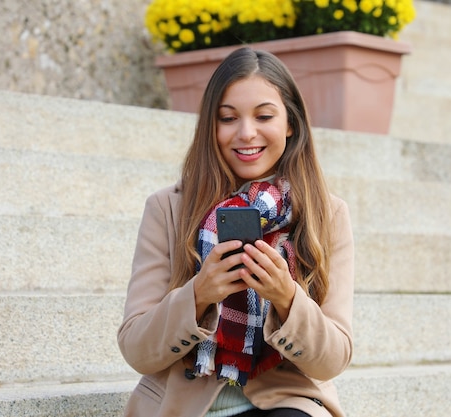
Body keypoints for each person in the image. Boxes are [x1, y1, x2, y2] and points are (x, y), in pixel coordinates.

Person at [117, 47, 354, 417]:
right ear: (211, 125)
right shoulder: (168, 209)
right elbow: (136, 349)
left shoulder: (327, 213)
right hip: (183, 404)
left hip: (285, 401)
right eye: (228, 118)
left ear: (290, 123)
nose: (246, 133)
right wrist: (197, 296)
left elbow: (333, 359)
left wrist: (286, 298)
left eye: (264, 116)